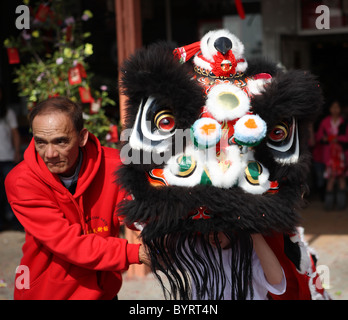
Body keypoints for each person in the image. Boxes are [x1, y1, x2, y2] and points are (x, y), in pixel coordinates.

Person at [5, 97, 149, 300]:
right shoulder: (21, 180)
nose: (50, 154)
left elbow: (138, 214)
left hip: (103, 293)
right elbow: (68, 242)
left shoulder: (115, 166)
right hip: (46, 293)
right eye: (41, 142)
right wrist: (136, 253)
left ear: (82, 137)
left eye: (60, 141)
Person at [191, 231, 286, 300]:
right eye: (208, 227)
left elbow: (276, 280)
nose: (212, 234)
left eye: (219, 226)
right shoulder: (195, 248)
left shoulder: (250, 248)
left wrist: (251, 228)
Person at [315, 100, 348, 210]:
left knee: (342, 178)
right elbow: (319, 137)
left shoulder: (344, 122)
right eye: (333, 107)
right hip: (329, 155)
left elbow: (346, 138)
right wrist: (327, 139)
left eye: (337, 107)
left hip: (341, 155)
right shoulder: (325, 122)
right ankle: (328, 205)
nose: (335, 109)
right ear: (329, 109)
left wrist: (334, 138)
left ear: (340, 109)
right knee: (330, 178)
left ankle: (341, 204)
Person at [0, 85, 21, 230]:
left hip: (7, 157)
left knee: (12, 191)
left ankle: (14, 220)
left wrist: (17, 152)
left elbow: (15, 134)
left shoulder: (8, 112)